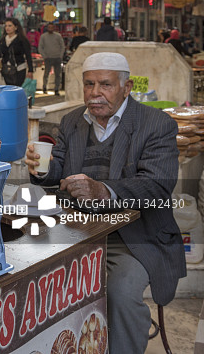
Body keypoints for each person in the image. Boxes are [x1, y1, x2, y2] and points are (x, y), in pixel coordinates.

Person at [24, 52, 185, 354]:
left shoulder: (156, 124)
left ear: (127, 87)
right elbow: (58, 170)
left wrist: (104, 191)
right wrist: (42, 168)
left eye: (106, 85)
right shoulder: (72, 121)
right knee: (35, 276)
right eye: (89, 84)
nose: (95, 93)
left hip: (135, 236)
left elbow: (157, 186)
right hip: (79, 230)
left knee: (121, 292)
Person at [0, 17, 33, 86]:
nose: (7, 28)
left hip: (19, 69)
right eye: (6, 26)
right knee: (9, 88)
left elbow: (28, 55)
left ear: (16, 27)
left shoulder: (22, 40)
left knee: (16, 88)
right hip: (7, 70)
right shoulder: (3, 40)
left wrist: (30, 70)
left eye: (10, 26)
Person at [37, 22, 64, 95]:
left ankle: (56, 89)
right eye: (49, 27)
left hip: (57, 57)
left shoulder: (58, 36)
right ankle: (44, 87)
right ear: (47, 28)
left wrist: (60, 56)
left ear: (54, 28)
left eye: (52, 27)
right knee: (46, 74)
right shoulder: (43, 36)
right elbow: (40, 47)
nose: (50, 29)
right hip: (48, 58)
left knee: (58, 74)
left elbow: (62, 46)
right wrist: (44, 56)